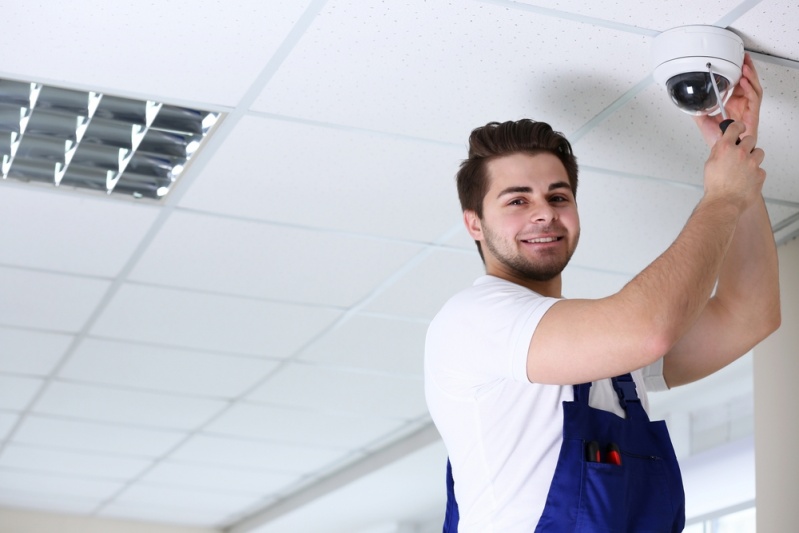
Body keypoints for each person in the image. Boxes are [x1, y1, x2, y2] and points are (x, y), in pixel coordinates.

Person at [424, 53, 780, 532]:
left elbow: (749, 314)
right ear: (475, 224)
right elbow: (648, 331)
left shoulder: (606, 363)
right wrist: (721, 198)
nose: (544, 213)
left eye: (558, 196)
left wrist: (739, 160)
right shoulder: (473, 320)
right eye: (517, 200)